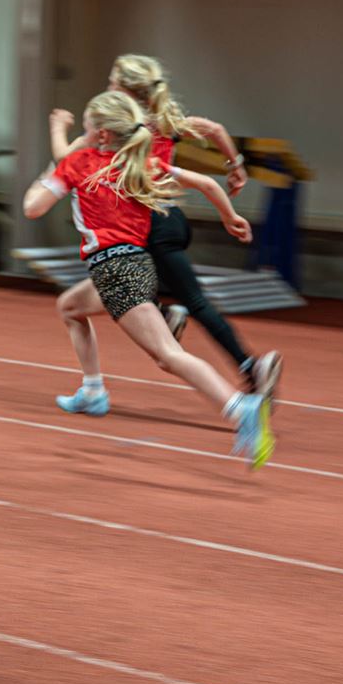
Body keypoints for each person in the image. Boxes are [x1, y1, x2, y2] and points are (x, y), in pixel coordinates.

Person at [23, 90, 275, 469]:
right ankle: (92, 391)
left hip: (115, 272)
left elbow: (32, 208)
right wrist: (230, 217)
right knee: (70, 307)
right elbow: (207, 184)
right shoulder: (142, 162)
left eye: (87, 129)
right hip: (135, 265)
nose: (83, 136)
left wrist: (50, 169)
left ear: (102, 134)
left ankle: (241, 407)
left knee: (168, 356)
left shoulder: (78, 164)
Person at [54, 54, 281, 401]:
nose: (108, 86)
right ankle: (164, 314)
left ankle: (249, 366)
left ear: (124, 89)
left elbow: (65, 160)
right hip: (171, 218)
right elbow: (215, 130)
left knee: (184, 298)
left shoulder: (115, 127)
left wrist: (58, 127)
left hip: (147, 225)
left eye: (112, 82)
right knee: (121, 285)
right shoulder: (165, 120)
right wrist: (235, 165)